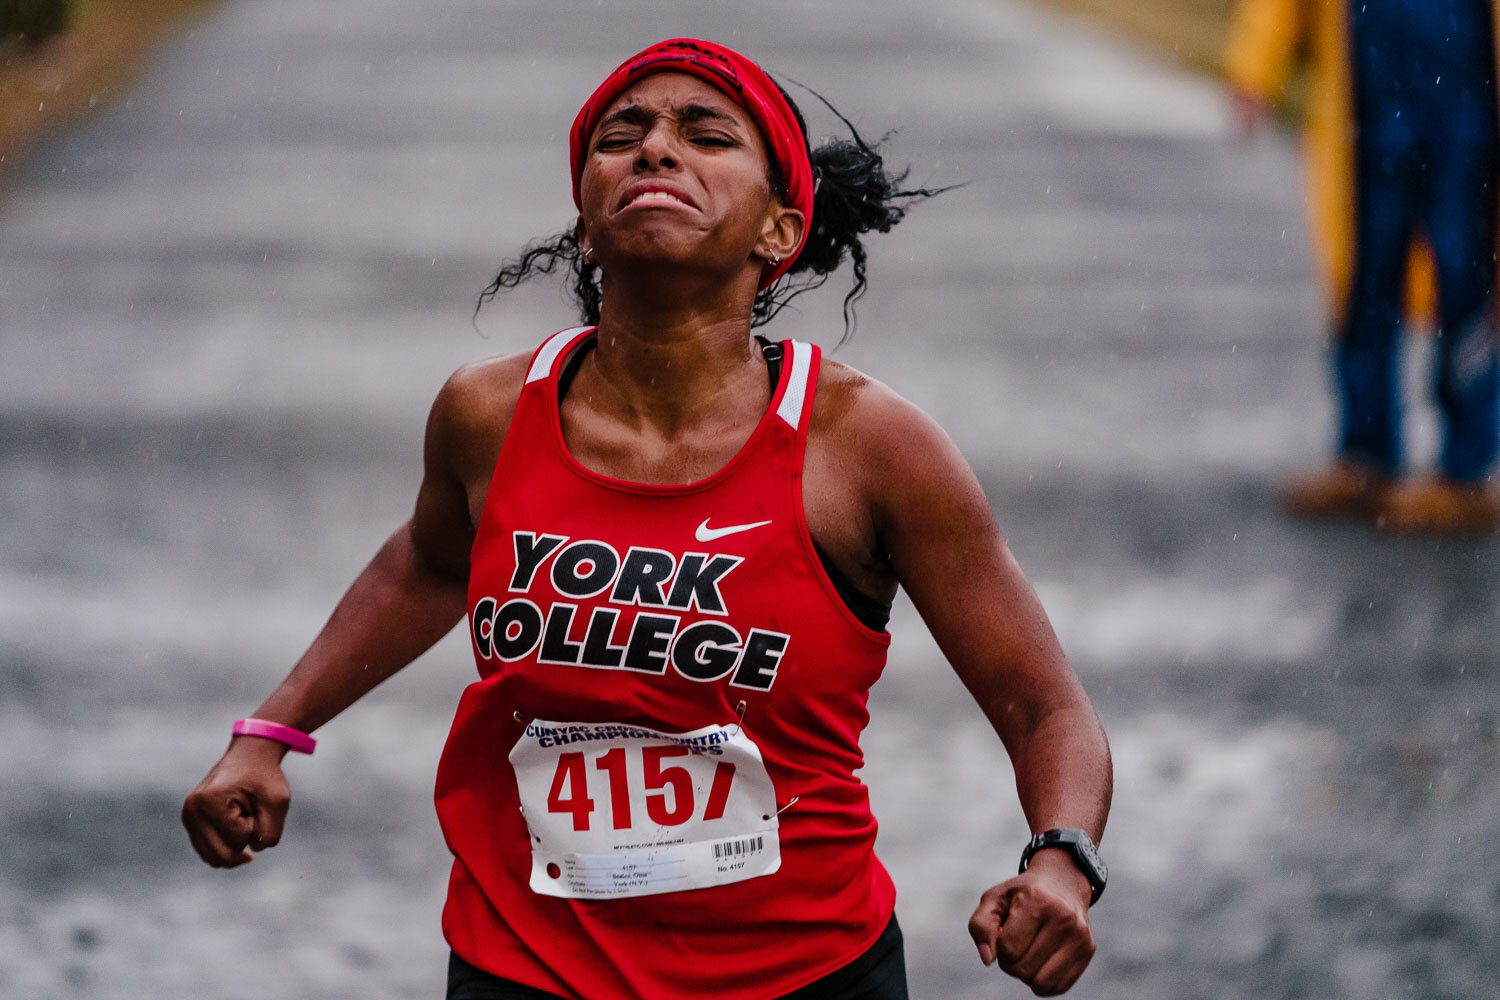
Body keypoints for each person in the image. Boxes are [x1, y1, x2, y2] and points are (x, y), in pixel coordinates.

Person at [182, 38, 1113, 999]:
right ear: (586, 224)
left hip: (802, 975)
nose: (656, 150)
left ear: (779, 232)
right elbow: (425, 567)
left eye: (705, 135)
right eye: (623, 136)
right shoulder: (489, 415)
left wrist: (1061, 861)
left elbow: (1044, 706)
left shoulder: (869, 447)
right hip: (524, 967)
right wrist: (271, 732)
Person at [1225, 0, 1500, 532]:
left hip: (1465, 108)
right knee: (1363, 281)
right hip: (1372, 103)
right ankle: (1366, 454)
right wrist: (1254, 64)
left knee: (1468, 281)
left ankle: (1465, 473)